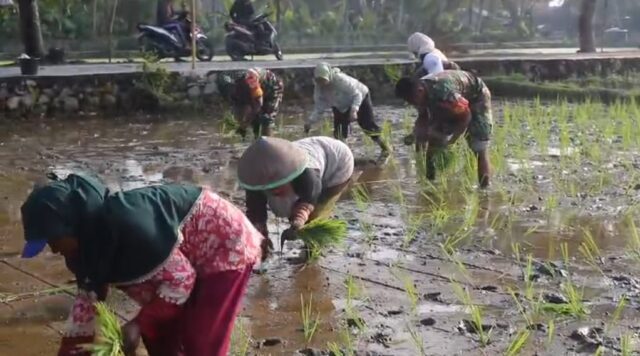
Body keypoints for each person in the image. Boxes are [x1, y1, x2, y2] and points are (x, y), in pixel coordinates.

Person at [20, 173, 264, 356]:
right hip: (184, 260)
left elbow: (181, 281)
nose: (52, 249)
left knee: (201, 342)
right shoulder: (83, 251)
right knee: (158, 334)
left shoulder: (129, 226)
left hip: (224, 243)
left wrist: (137, 324)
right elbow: (86, 309)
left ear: (70, 225)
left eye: (53, 239)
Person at [237, 136, 355, 254]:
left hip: (338, 163)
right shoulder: (255, 181)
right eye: (269, 188)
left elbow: (309, 199)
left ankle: (313, 251)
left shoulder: (307, 176)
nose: (273, 190)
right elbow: (255, 212)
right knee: (289, 206)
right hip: (311, 154)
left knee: (315, 215)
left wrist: (298, 221)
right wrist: (260, 237)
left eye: (277, 186)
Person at [394, 71, 493, 188]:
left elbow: (466, 116)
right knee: (434, 141)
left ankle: (484, 190)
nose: (413, 103)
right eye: (409, 102)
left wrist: (451, 142)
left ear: (419, 91)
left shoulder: (444, 92)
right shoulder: (418, 95)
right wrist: (415, 133)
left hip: (477, 96)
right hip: (449, 102)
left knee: (478, 145)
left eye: (413, 100)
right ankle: (430, 183)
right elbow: (423, 117)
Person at [305, 62, 391, 160]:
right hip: (340, 104)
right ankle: (345, 157)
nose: (322, 83)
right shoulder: (319, 88)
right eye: (318, 80)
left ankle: (386, 148)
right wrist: (310, 122)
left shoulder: (340, 80)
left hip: (360, 97)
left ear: (328, 76)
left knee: (367, 126)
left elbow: (357, 94)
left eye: (323, 80)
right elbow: (319, 107)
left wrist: (354, 110)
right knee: (339, 132)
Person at [216, 68, 284, 138]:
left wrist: (245, 123)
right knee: (254, 121)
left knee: (266, 120)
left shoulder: (251, 81)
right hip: (241, 87)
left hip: (271, 88)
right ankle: (256, 138)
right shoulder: (227, 84)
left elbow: (258, 104)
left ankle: (268, 142)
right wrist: (243, 124)